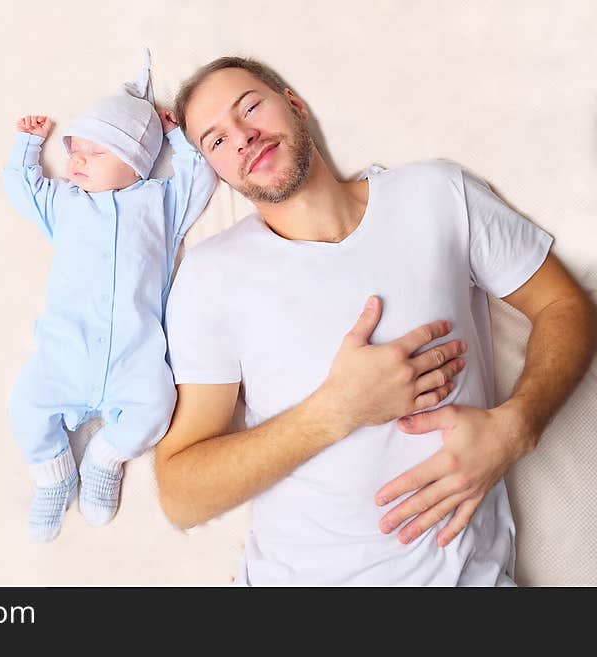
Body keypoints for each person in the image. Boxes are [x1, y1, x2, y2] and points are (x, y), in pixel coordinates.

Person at [156, 56, 596, 585]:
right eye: (217, 141)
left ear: (294, 105)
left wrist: (516, 427)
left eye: (250, 108)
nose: (244, 138)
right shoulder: (211, 276)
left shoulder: (437, 194)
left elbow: (563, 306)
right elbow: (181, 495)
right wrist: (336, 411)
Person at [1, 49, 217, 542]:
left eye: (95, 152)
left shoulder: (159, 202)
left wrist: (179, 136)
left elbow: (199, 176)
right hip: (65, 350)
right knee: (23, 408)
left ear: (138, 163)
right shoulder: (65, 203)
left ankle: (105, 459)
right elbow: (22, 188)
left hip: (134, 355)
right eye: (75, 150)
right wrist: (27, 145)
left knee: (157, 406)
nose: (76, 159)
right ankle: (53, 477)